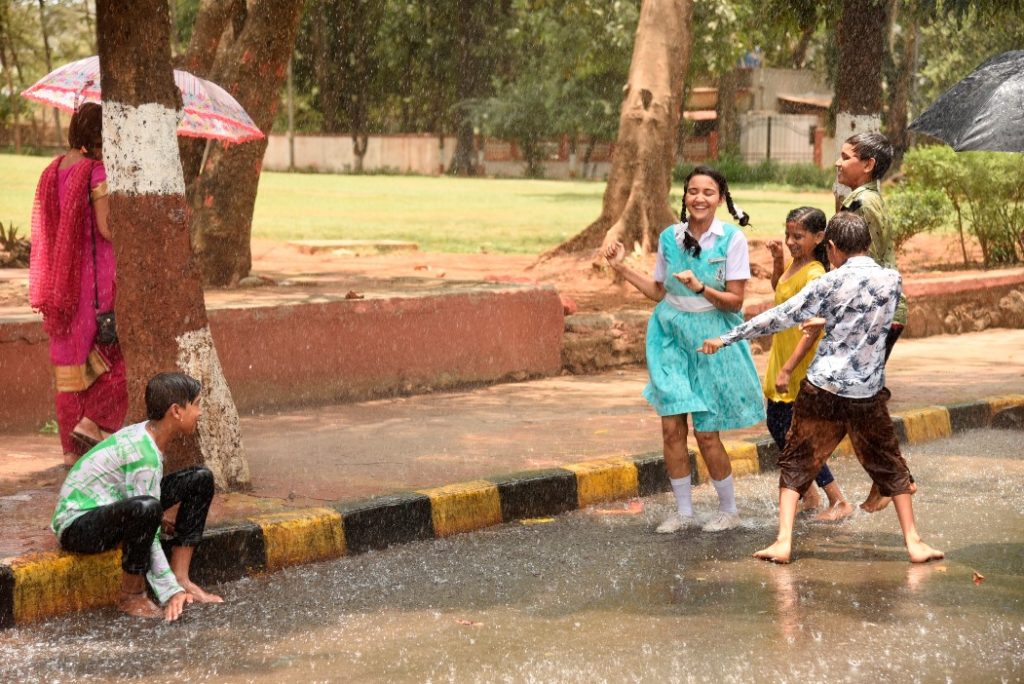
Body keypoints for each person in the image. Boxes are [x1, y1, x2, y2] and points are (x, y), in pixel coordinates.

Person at [700, 213, 943, 564]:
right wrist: (829, 319)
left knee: (797, 461)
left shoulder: (828, 283)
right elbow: (869, 316)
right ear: (867, 245)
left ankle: (783, 543)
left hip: (823, 388)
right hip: (866, 392)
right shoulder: (892, 279)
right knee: (890, 463)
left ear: (831, 247)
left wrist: (726, 338)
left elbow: (779, 316)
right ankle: (915, 542)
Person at [603, 166, 764, 533]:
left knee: (707, 434)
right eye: (693, 191)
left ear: (721, 199)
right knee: (672, 429)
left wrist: (700, 288)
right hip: (670, 336)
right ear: (685, 196)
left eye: (708, 192)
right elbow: (659, 292)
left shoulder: (731, 240)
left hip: (711, 339)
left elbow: (735, 304)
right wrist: (621, 267)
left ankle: (727, 509)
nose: (700, 198)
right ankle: (684, 511)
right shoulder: (670, 237)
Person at [51, 372, 224, 621]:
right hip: (77, 526)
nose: (200, 412)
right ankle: (131, 595)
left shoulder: (148, 435)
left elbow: (135, 494)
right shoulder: (143, 454)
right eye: (196, 404)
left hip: (106, 508)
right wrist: (169, 594)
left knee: (200, 479)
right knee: (147, 509)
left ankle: (182, 577)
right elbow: (148, 528)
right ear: (176, 411)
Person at [29, 102, 127, 468]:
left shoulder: (52, 170)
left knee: (69, 367)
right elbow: (106, 228)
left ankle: (71, 452)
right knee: (117, 358)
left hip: (62, 283)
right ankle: (94, 422)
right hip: (95, 284)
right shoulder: (96, 171)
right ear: (99, 136)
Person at [764, 207, 852, 522]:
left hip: (798, 364)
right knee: (779, 426)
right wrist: (777, 261)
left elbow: (814, 328)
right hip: (782, 356)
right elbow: (780, 292)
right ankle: (811, 495)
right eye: (788, 235)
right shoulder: (794, 267)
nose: (790, 241)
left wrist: (789, 368)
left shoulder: (815, 274)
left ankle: (837, 499)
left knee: (795, 435)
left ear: (818, 238)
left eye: (798, 236)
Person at [836, 131, 905, 512]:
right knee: (858, 400)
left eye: (846, 157)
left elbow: (853, 262)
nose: (838, 162)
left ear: (868, 165)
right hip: (883, 311)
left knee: (860, 401)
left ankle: (891, 478)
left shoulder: (860, 204)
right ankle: (888, 478)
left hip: (875, 314)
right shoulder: (866, 198)